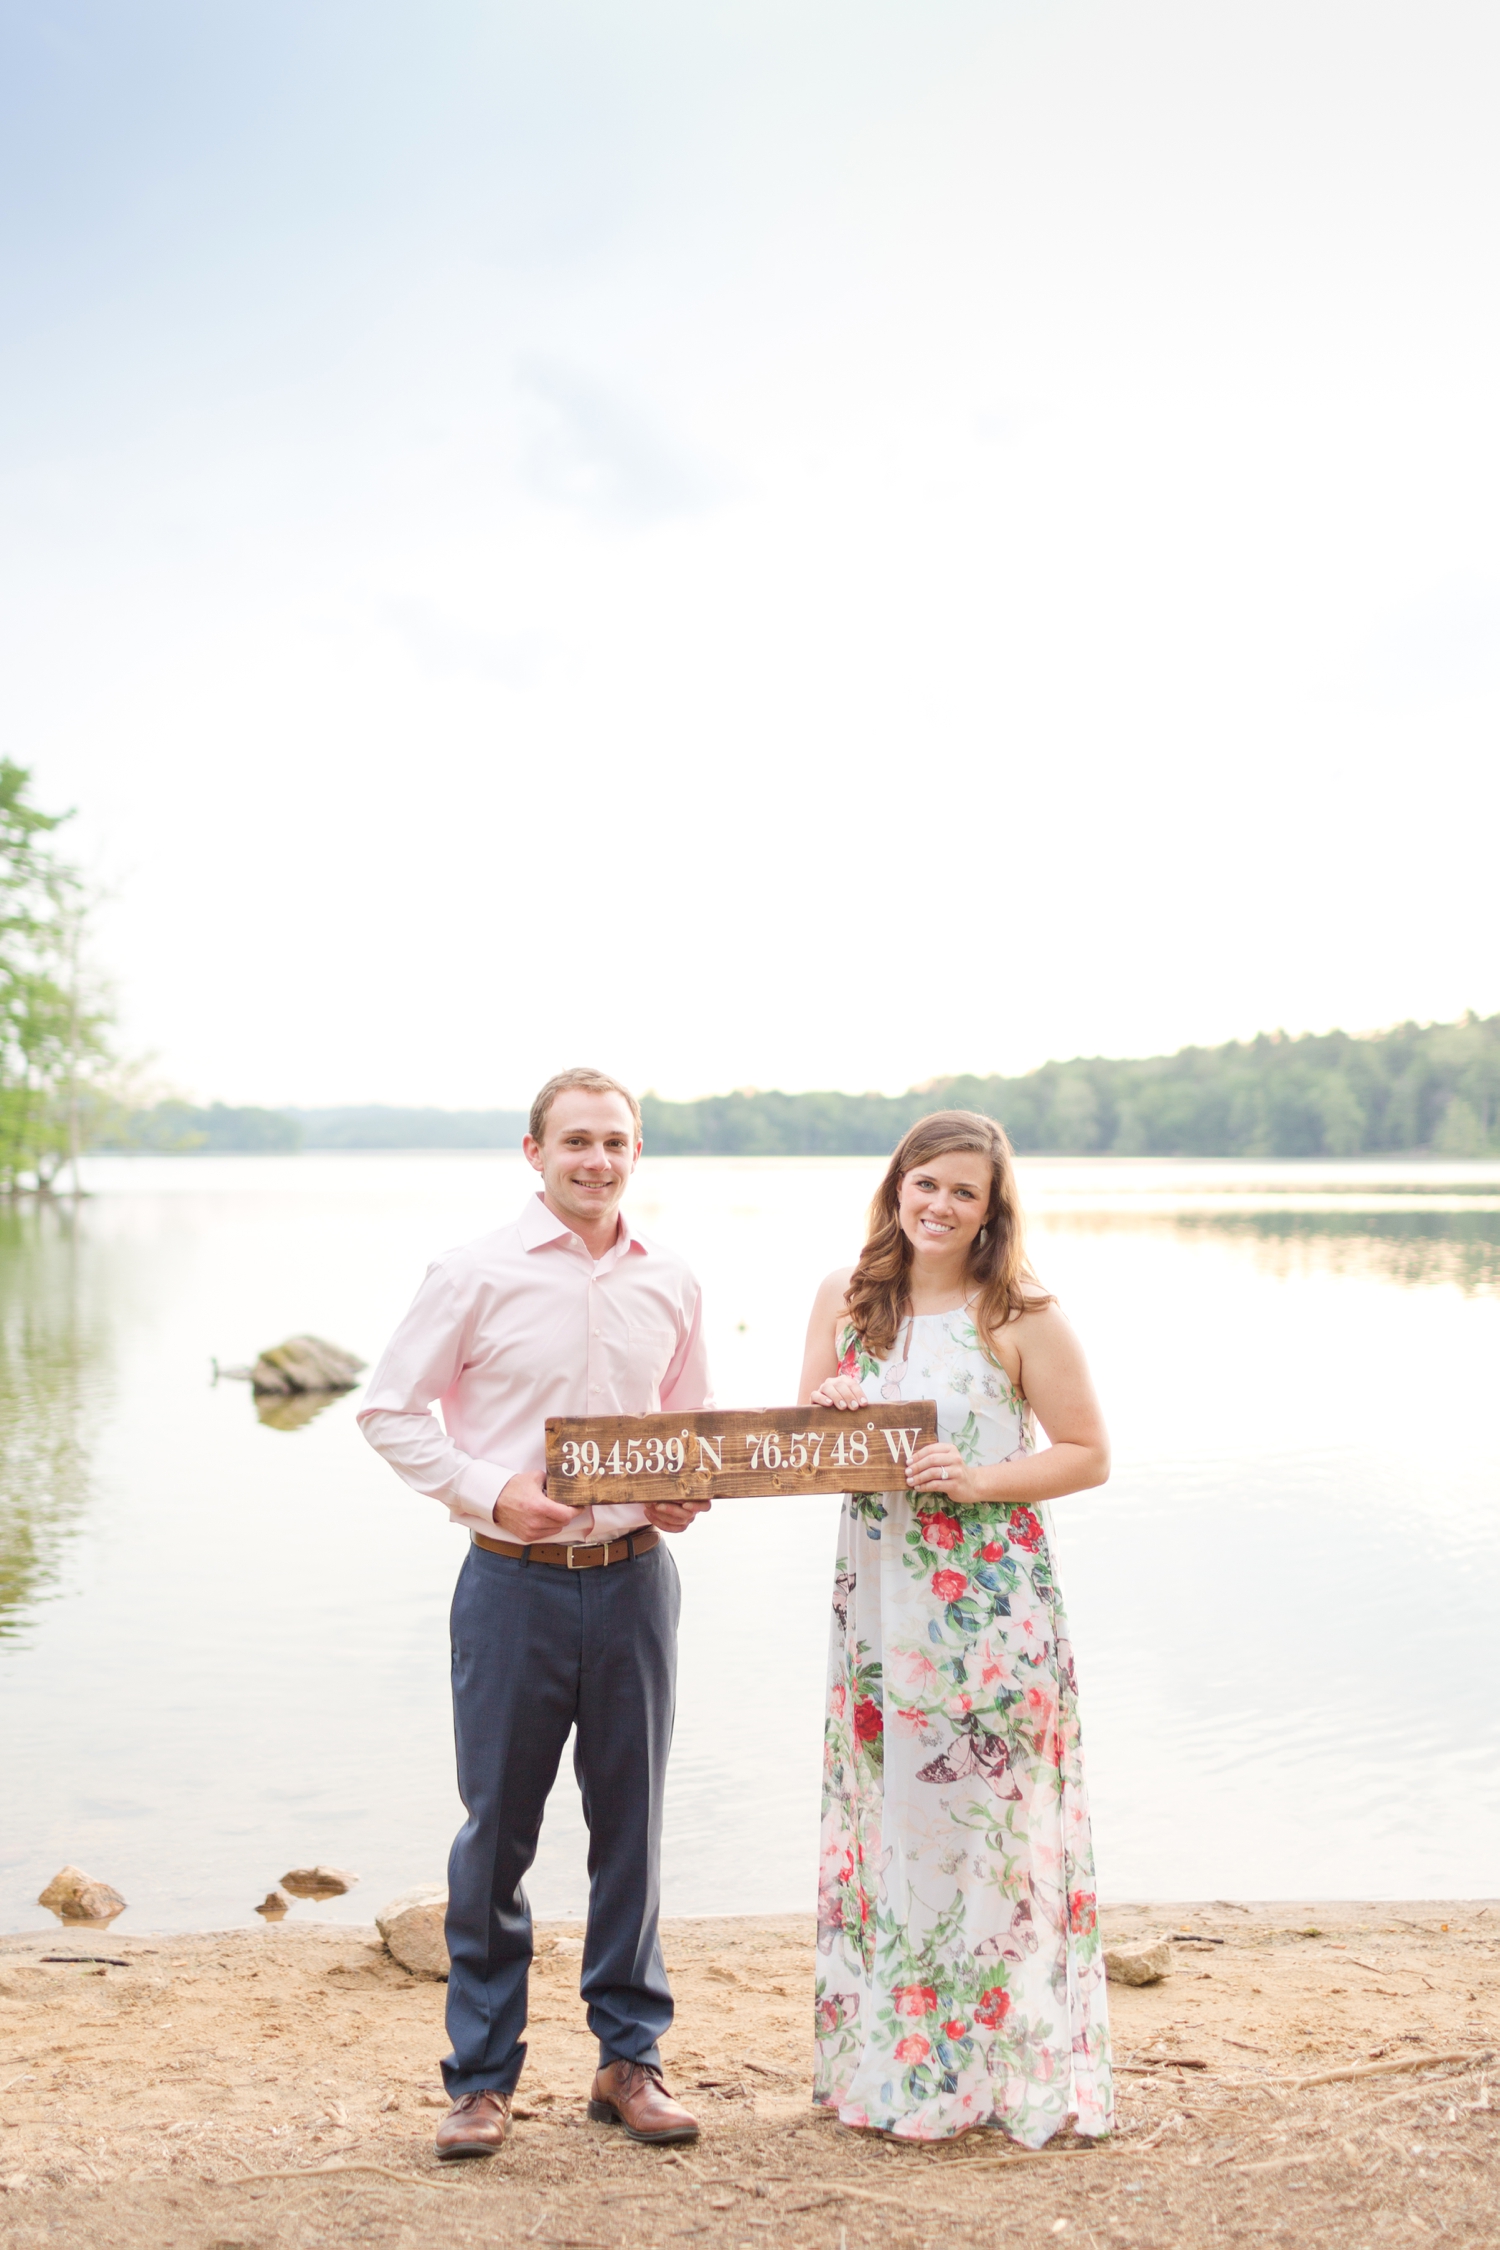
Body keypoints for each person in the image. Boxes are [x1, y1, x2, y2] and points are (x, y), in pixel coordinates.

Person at [359, 1068, 711, 2159]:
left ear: (635, 1154)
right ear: (533, 1152)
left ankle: (627, 2061)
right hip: (511, 1581)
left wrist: (686, 1488)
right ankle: (479, 2080)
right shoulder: (473, 1272)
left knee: (633, 1828)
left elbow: (692, 1427)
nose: (596, 1161)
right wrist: (489, 1487)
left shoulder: (673, 1281)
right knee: (498, 1833)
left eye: (615, 1143)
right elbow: (387, 1413)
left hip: (636, 1578)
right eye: (576, 1143)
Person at [797, 1109, 1113, 2145]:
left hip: (987, 1606)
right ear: (897, 1187)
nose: (939, 1205)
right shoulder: (846, 1304)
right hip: (881, 1603)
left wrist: (978, 1480)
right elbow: (802, 1447)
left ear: (991, 1211)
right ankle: (897, 2074)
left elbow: (1084, 1453)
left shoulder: (1021, 1312)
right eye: (924, 1183)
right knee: (893, 1823)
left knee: (995, 1832)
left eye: (962, 1192)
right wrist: (835, 1411)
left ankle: (1000, 2074)